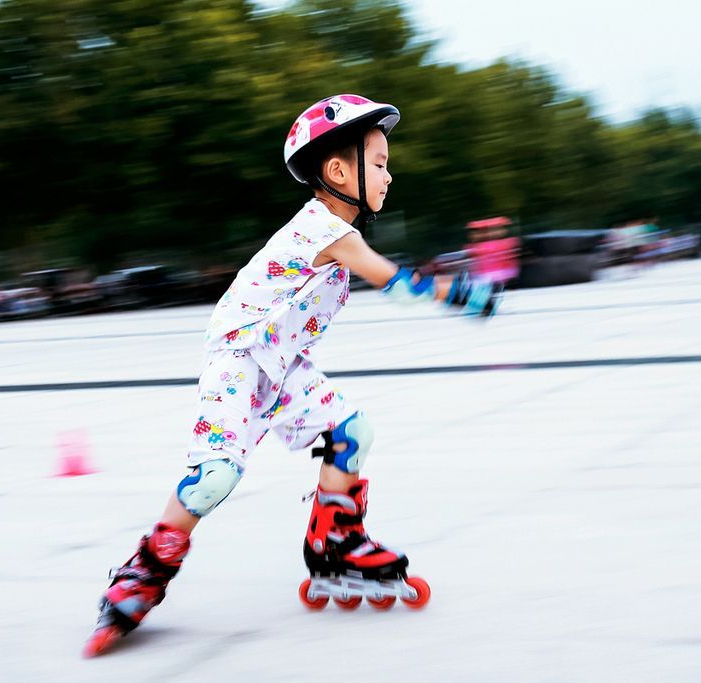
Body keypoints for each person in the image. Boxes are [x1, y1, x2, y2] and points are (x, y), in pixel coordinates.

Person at [82, 94, 501, 657]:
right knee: (214, 479)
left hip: (281, 362)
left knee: (354, 433)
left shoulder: (334, 230)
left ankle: (335, 542)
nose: (389, 174)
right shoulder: (325, 229)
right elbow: (396, 282)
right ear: (337, 170)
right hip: (238, 357)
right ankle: (144, 572)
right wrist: (462, 295)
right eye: (378, 162)